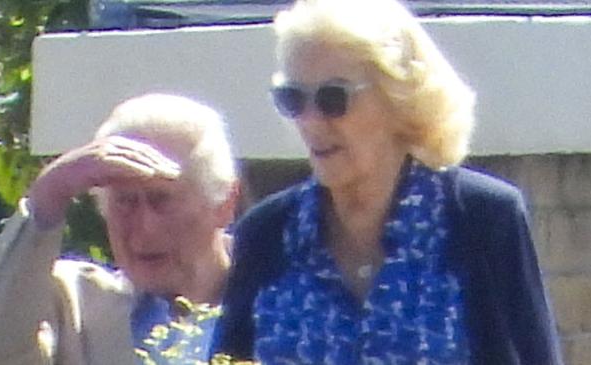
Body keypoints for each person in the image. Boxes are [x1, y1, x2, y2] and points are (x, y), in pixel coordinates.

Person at [213, 0, 563, 364]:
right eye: (293, 99)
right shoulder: (266, 234)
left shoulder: (483, 219)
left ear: (399, 98)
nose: (310, 121)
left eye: (334, 98)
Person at [0, 93, 238, 365]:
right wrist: (49, 194)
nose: (145, 227)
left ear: (224, 203)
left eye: (161, 200)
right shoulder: (74, 305)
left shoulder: (274, 301)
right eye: (125, 202)